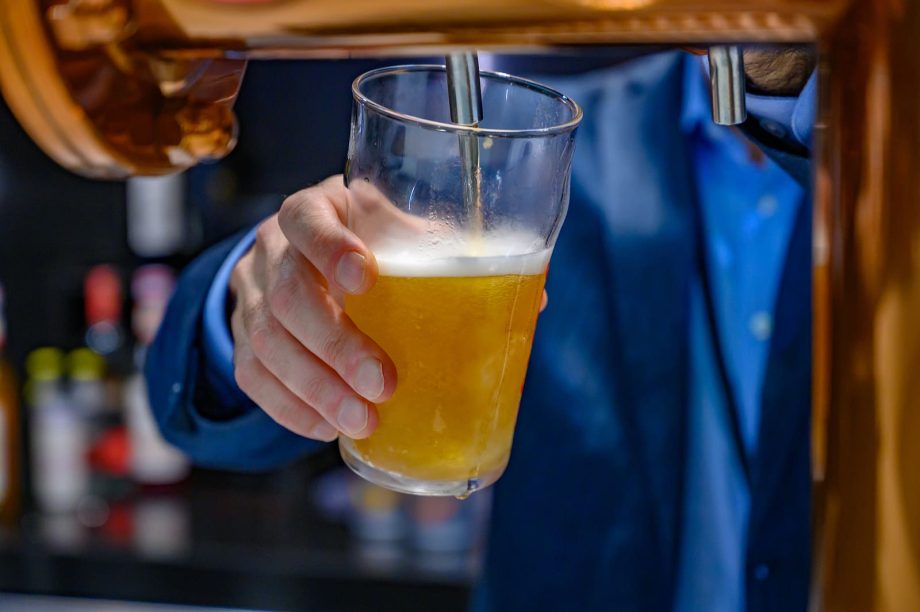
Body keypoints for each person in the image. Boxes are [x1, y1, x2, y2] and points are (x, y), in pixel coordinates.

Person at [146, 48, 816, 611]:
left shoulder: (868, 162)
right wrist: (261, 302)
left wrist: (783, 84)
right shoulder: (549, 148)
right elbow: (181, 402)